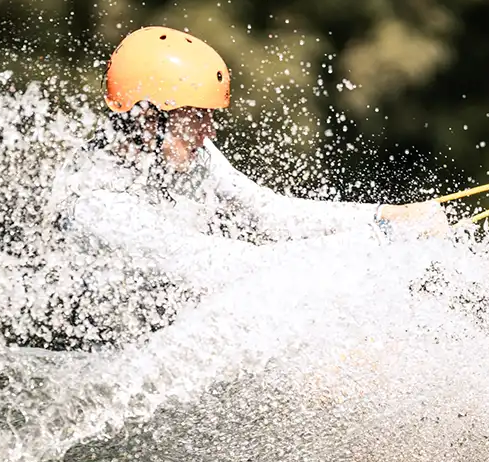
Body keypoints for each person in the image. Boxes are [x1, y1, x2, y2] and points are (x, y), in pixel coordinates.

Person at [52, 26, 448, 290]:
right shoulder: (98, 207)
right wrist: (379, 239)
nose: (209, 132)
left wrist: (383, 215)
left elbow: (269, 213)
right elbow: (235, 267)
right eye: (197, 116)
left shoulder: (177, 151)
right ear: (147, 118)